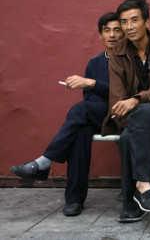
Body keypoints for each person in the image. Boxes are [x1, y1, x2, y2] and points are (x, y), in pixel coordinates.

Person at [10, 12, 124, 216]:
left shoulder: (130, 60)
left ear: (124, 33)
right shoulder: (94, 63)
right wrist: (95, 94)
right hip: (98, 116)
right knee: (80, 131)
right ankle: (74, 200)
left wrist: (93, 84)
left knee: (79, 110)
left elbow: (125, 92)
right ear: (100, 36)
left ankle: (44, 161)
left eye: (117, 29)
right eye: (107, 30)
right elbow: (89, 98)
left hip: (124, 116)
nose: (112, 34)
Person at [101, 0, 150, 223]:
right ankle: (143, 185)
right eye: (124, 22)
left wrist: (136, 100)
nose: (128, 27)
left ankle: (130, 205)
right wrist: (131, 105)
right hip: (127, 115)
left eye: (134, 20)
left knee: (130, 135)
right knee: (138, 119)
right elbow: (117, 99)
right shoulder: (117, 51)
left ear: (146, 22)